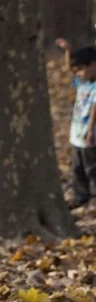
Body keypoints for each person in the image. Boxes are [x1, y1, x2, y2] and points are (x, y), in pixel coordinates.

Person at [55, 38, 96, 209]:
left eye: (81, 69)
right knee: (77, 168)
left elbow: (95, 107)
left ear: (93, 65)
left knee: (92, 168)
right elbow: (69, 68)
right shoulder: (82, 81)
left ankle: (94, 196)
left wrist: (90, 130)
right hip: (76, 135)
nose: (77, 73)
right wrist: (68, 51)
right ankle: (81, 196)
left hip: (90, 134)